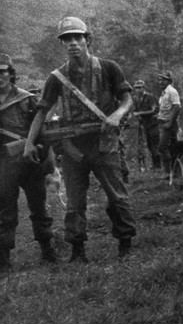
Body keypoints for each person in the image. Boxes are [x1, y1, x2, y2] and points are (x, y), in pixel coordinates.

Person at [23, 17, 137, 262]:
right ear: (62, 44)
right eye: (67, 39)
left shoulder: (109, 68)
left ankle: (125, 244)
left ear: (88, 39)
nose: (73, 43)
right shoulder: (56, 77)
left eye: (77, 37)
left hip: (105, 142)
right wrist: (29, 143)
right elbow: (42, 111)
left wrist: (116, 115)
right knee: (75, 202)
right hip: (73, 146)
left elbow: (127, 100)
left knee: (117, 196)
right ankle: (77, 251)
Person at [0, 54, 57, 271]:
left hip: (30, 163)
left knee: (39, 208)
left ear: (11, 74)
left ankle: (48, 251)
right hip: (4, 165)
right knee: (5, 212)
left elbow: (42, 129)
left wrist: (38, 149)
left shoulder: (26, 99)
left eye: (3, 71)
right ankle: (4, 259)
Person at [156, 71, 181, 182]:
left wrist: (170, 122)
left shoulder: (172, 91)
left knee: (162, 147)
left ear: (169, 81)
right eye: (159, 79)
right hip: (163, 123)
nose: (160, 82)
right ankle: (175, 173)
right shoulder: (164, 93)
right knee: (173, 148)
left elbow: (177, 107)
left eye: (163, 79)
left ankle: (169, 172)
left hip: (169, 124)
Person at [131, 79, 161, 170]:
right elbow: (135, 110)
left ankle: (158, 166)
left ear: (143, 88)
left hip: (153, 124)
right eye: (136, 88)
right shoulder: (136, 98)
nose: (138, 90)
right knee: (149, 146)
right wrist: (135, 114)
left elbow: (154, 110)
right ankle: (154, 165)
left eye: (140, 88)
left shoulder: (149, 97)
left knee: (155, 145)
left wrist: (140, 113)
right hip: (145, 125)